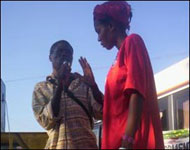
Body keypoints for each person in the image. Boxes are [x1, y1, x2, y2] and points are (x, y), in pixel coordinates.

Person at [89, 1, 164, 149]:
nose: (98, 38)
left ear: (111, 26)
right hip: (115, 142)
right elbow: (115, 106)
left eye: (99, 31)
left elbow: (136, 92)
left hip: (128, 143)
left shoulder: (133, 42)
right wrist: (93, 86)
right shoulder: (117, 59)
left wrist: (127, 140)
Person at [32, 40, 103, 149]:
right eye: (60, 51)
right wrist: (60, 85)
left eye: (68, 53)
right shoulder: (41, 88)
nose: (64, 54)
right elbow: (45, 122)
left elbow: (101, 113)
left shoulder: (84, 84)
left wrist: (93, 86)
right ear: (50, 57)